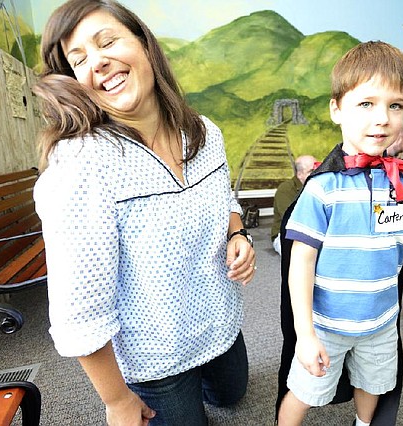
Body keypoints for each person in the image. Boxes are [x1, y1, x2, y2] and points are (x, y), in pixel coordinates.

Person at [32, 1, 256, 424]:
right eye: (79, 60)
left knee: (231, 396)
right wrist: (117, 400)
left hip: (220, 319)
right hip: (155, 351)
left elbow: (225, 199)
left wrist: (238, 234)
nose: (97, 62)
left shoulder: (206, 133)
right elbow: (78, 309)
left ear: (145, 45)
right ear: (74, 81)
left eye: (107, 41)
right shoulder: (81, 164)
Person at [276, 41, 403, 426]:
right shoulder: (323, 188)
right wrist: (304, 333)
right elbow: (300, 259)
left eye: (395, 105)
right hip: (327, 324)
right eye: (366, 103)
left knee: (375, 384)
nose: (382, 118)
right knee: (304, 392)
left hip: (382, 322)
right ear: (337, 109)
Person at [271, 155, 317, 255]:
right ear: (299, 174)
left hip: (314, 231)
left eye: (318, 169)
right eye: (311, 171)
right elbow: (291, 219)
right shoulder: (285, 189)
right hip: (287, 234)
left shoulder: (319, 186)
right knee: (300, 256)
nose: (317, 174)